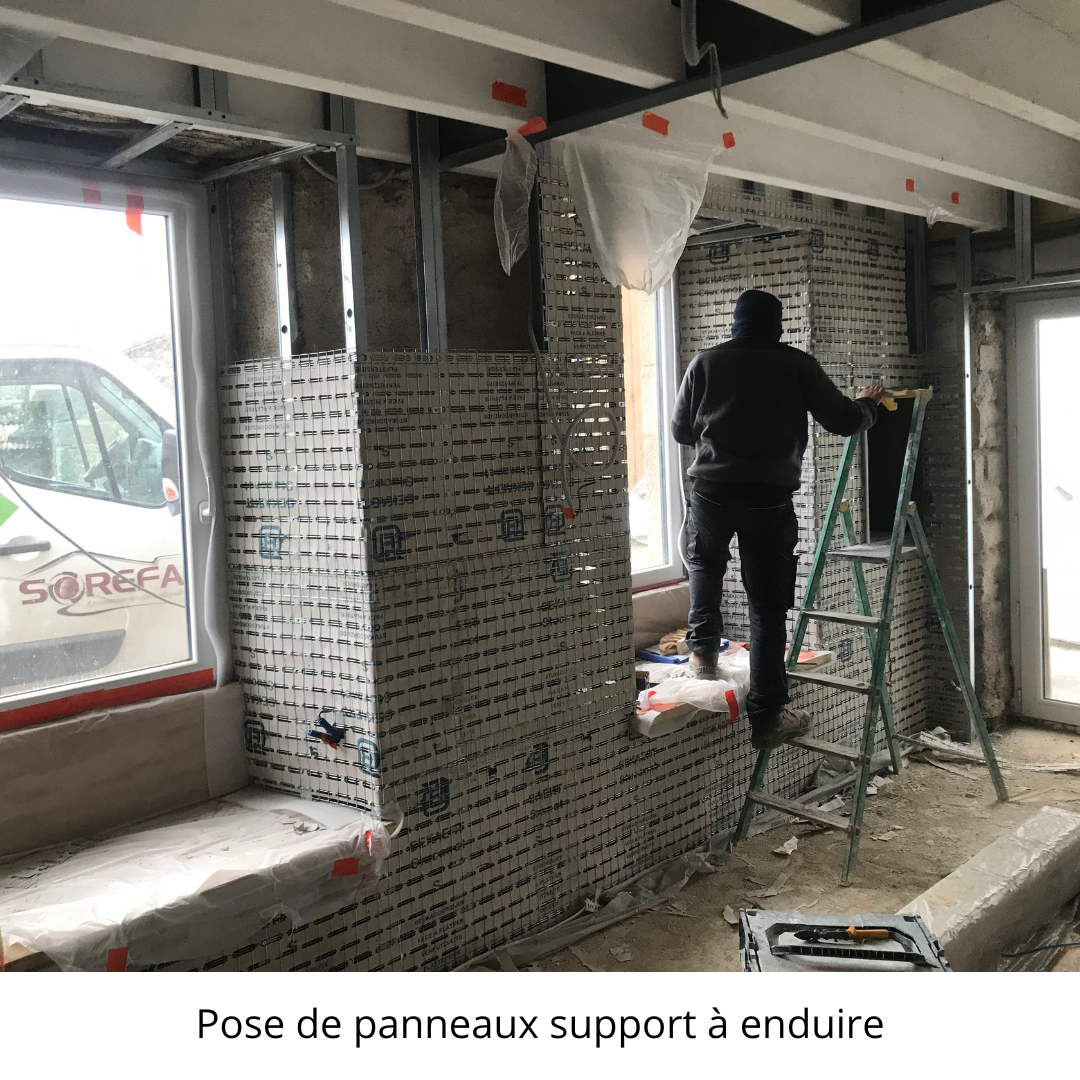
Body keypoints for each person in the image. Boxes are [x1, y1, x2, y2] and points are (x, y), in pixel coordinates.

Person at [671, 288, 885, 751]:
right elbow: (844, 421)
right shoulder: (796, 365)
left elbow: (681, 431)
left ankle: (702, 657)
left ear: (735, 323)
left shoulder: (705, 363)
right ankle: (768, 716)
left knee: (705, 565)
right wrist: (868, 404)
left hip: (711, 491)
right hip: (768, 499)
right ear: (777, 325)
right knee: (766, 605)